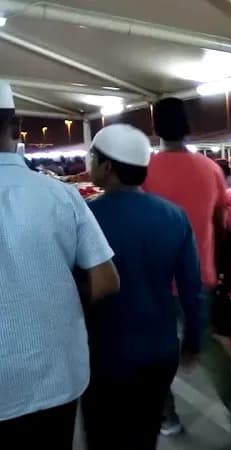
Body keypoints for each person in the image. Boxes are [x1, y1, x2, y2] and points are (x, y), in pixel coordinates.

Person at [0, 81, 120, 449]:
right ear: (16, 128)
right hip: (55, 375)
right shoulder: (60, 196)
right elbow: (106, 280)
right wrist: (51, 299)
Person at [81, 124, 205, 450]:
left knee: (104, 437)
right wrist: (193, 340)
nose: (88, 164)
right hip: (159, 351)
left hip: (102, 354)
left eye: (92, 158)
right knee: (144, 435)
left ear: (107, 168)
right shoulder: (174, 216)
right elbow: (192, 288)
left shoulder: (84, 216)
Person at [143, 97, 231, 449]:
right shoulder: (210, 169)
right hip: (200, 274)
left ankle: (168, 417)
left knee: (156, 350)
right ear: (188, 126)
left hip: (157, 279)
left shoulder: (145, 170)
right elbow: (221, 222)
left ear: (155, 128)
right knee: (205, 342)